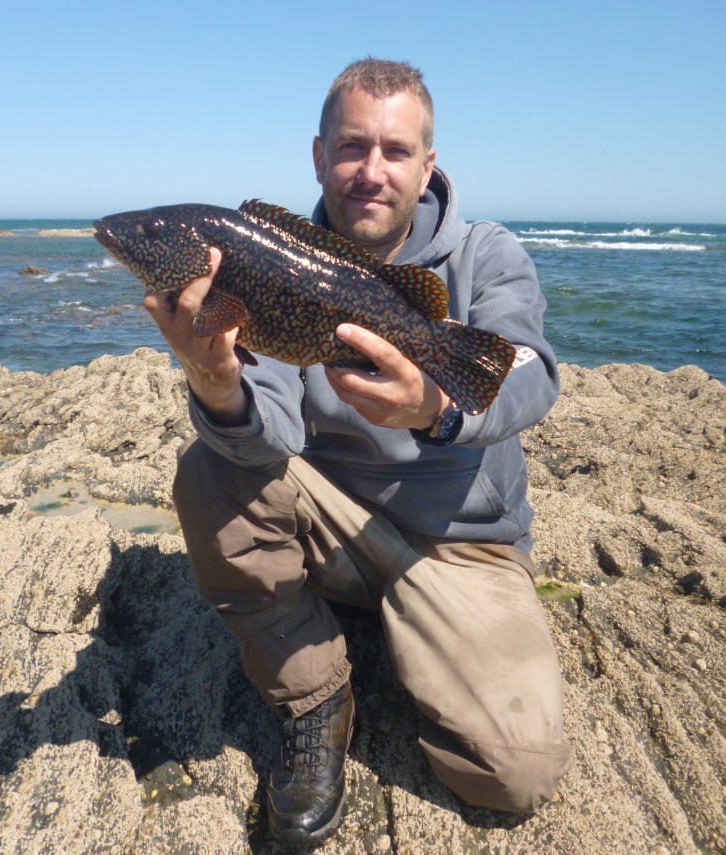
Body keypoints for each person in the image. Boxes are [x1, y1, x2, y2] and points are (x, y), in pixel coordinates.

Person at [143, 58, 574, 846]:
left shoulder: (486, 255)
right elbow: (265, 430)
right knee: (210, 463)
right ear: (318, 156)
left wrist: (436, 404)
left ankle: (401, 628)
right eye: (350, 147)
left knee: (516, 770)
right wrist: (215, 381)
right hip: (332, 523)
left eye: (395, 150)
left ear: (428, 164)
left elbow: (529, 371)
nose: (370, 171)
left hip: (461, 548)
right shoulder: (260, 258)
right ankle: (315, 697)